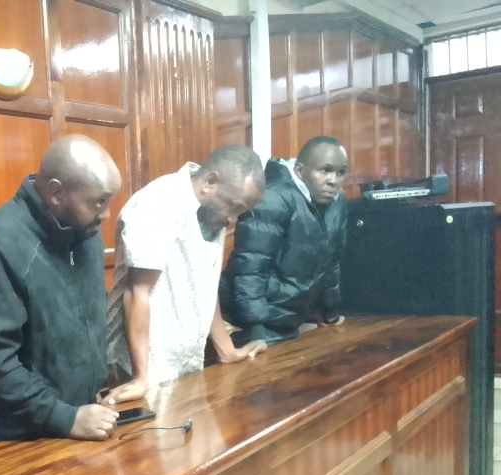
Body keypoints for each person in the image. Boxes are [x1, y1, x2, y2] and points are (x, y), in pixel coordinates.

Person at [0, 134, 122, 443]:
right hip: (21, 429)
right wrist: (63, 416)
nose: (106, 214)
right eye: (99, 201)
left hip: (81, 415)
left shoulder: (85, 232)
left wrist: (89, 397)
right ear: (56, 193)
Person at [102, 146, 267, 405]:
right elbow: (137, 292)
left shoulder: (212, 213)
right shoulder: (159, 203)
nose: (233, 219)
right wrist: (139, 378)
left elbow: (206, 285)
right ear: (210, 182)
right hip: (137, 367)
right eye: (234, 207)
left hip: (181, 366)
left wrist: (227, 350)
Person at [219, 135, 349, 346]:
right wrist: (256, 332)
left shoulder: (337, 200)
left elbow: (332, 260)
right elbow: (250, 272)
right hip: (244, 324)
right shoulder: (272, 199)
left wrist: (329, 311)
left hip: (288, 321)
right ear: (299, 170)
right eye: (324, 170)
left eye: (340, 172)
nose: (333, 180)